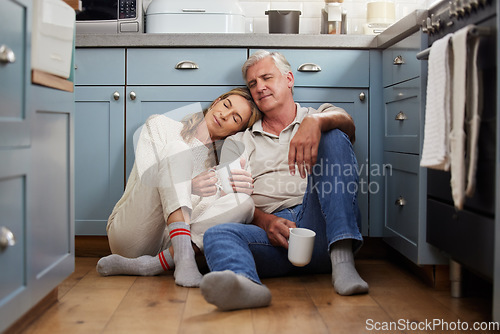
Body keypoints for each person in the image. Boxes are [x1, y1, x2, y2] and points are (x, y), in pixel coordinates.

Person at [199, 50, 368, 311]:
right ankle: (246, 286)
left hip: (321, 224)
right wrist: (265, 221)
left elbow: (348, 124)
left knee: (334, 134)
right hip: (274, 234)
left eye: (267, 77)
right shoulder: (239, 141)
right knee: (216, 234)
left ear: (289, 79)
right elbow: (229, 199)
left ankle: (343, 260)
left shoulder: (318, 115)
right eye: (253, 83)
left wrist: (315, 122)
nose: (259, 87)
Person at [96, 87, 261, 287]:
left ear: (236, 132)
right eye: (226, 105)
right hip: (132, 232)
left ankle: (155, 264)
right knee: (177, 149)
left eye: (235, 119)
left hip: (171, 245)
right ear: (217, 101)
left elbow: (199, 219)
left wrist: (227, 192)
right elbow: (147, 178)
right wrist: (190, 186)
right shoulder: (161, 125)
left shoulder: (218, 167)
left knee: (245, 203)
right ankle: (182, 260)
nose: (224, 115)